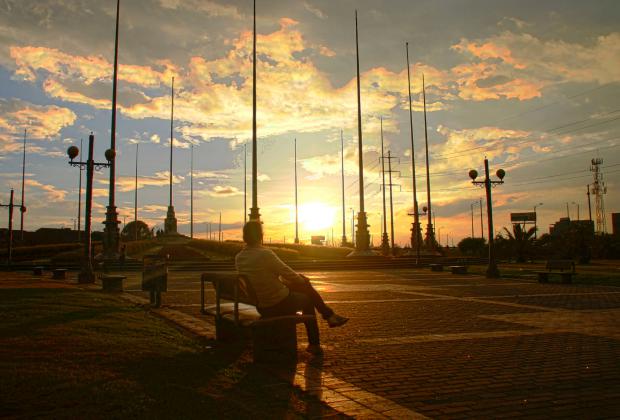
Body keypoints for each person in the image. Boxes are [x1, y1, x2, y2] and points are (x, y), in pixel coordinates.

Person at [235, 221, 348, 354]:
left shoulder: (239, 257)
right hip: (277, 302)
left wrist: (293, 282)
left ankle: (328, 317)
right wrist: (301, 280)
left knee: (304, 288)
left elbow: (265, 277)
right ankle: (318, 337)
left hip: (261, 304)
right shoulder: (265, 254)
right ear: (260, 235)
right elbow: (287, 272)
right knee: (307, 297)